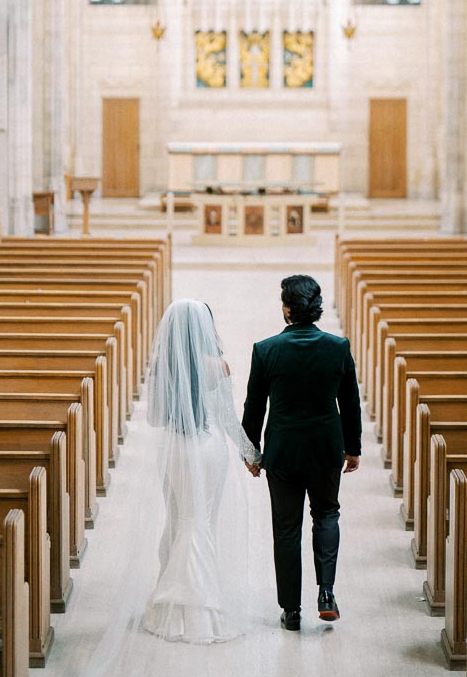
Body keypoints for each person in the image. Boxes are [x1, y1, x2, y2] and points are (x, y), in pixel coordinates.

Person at [241, 274, 361, 631]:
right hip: (326, 449)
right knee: (326, 515)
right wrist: (352, 448)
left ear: (287, 308)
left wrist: (252, 453)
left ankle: (291, 609)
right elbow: (350, 404)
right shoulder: (338, 347)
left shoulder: (266, 350)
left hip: (283, 451)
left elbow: (254, 408)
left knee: (287, 529)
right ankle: (326, 593)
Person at [144, 298, 261, 643]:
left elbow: (154, 419)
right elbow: (226, 418)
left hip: (175, 450)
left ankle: (171, 605)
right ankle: (199, 609)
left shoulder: (160, 366)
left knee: (179, 519)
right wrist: (251, 453)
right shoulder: (218, 366)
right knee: (201, 520)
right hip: (209, 450)